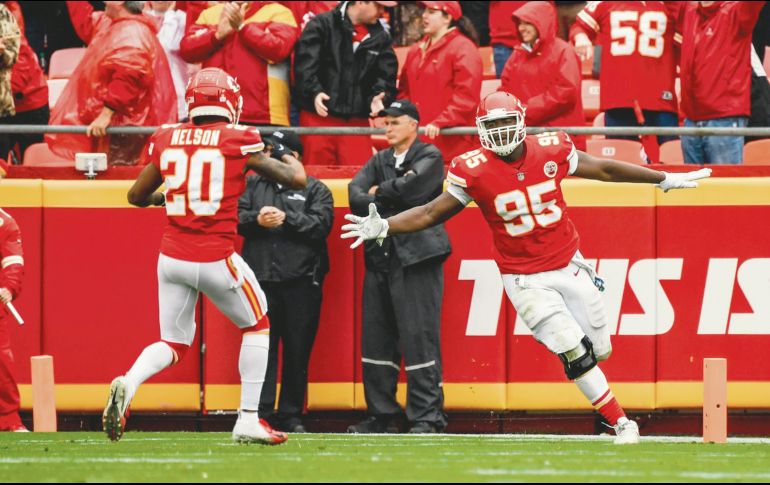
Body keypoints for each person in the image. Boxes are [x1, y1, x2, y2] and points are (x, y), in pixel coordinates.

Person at [342, 91, 713, 444]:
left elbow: (606, 169)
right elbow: (430, 211)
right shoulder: (473, 169)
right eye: (492, 125)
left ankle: (580, 361)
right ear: (480, 129)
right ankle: (621, 422)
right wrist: (386, 226)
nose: (501, 132)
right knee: (572, 348)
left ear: (521, 120)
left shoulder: (552, 148)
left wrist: (663, 179)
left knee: (599, 350)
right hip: (524, 276)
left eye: (506, 122)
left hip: (569, 263)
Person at [102, 67, 307, 444]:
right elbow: (296, 179)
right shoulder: (238, 138)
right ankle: (247, 418)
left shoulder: (167, 136)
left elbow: (134, 196)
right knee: (258, 324)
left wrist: (161, 198)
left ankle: (129, 383)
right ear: (228, 101)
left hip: (171, 258)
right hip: (215, 255)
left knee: (174, 342)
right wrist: (282, 152)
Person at [347, 99, 451, 434]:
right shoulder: (379, 159)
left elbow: (417, 189)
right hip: (381, 257)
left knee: (419, 337)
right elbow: (354, 193)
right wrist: (392, 193)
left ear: (414, 125)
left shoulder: (430, 155)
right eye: (385, 122)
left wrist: (381, 192)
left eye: (394, 122)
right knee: (377, 339)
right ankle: (382, 415)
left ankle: (426, 417)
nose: (387, 127)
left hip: (418, 256)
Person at [237, 129, 334, 433]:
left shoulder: (316, 189)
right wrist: (257, 220)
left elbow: (321, 226)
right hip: (261, 280)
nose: (267, 156)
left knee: (297, 351)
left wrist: (287, 218)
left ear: (293, 157)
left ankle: (292, 414)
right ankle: (260, 412)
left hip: (302, 281)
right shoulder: (252, 186)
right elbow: (235, 218)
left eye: (274, 151)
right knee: (260, 348)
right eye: (266, 151)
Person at [47, 1, 177, 165]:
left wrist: (106, 114)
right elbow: (86, 22)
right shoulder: (113, 23)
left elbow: (129, 76)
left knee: (118, 177)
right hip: (114, 123)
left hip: (124, 127)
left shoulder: (132, 32)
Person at [571, 1, 681, 162]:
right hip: (619, 95)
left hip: (660, 95)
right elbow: (579, 26)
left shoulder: (672, 5)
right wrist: (581, 38)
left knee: (670, 157)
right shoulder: (605, 4)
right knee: (623, 160)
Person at [293, 1, 398, 165]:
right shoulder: (320, 24)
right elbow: (304, 67)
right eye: (378, 6)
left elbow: (386, 77)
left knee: (357, 180)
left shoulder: (382, 37)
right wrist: (314, 92)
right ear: (361, 2)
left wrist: (379, 98)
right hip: (318, 118)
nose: (382, 11)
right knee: (316, 179)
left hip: (357, 123)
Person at [180, 1, 299, 127]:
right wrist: (217, 35)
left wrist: (242, 27)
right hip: (214, 112)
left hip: (264, 116)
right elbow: (187, 50)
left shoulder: (278, 12)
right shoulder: (210, 14)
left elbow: (278, 50)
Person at [678, 1, 765, 164]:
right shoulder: (689, 10)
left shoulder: (736, 12)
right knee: (691, 188)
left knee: (725, 187)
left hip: (724, 119)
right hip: (690, 120)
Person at [398, 1, 482, 163]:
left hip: (452, 142)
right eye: (425, 11)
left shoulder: (463, 48)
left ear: (447, 17)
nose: (424, 16)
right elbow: (404, 91)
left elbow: (466, 96)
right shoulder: (415, 50)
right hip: (420, 139)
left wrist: (442, 121)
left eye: (431, 11)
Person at [500, 1, 585, 151]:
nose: (521, 28)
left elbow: (566, 93)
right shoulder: (517, 54)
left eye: (527, 23)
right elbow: (505, 90)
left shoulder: (564, 52)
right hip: (528, 136)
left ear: (542, 22)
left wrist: (526, 111)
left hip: (560, 138)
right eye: (520, 23)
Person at [0, 207, 26, 432]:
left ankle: (8, 420)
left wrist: (9, 288)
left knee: (2, 362)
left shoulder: (5, 223)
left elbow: (13, 262)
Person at [148, 1, 190, 121]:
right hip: (151, 97)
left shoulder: (182, 18)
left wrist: (170, 15)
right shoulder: (142, 18)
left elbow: (169, 45)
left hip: (178, 94)